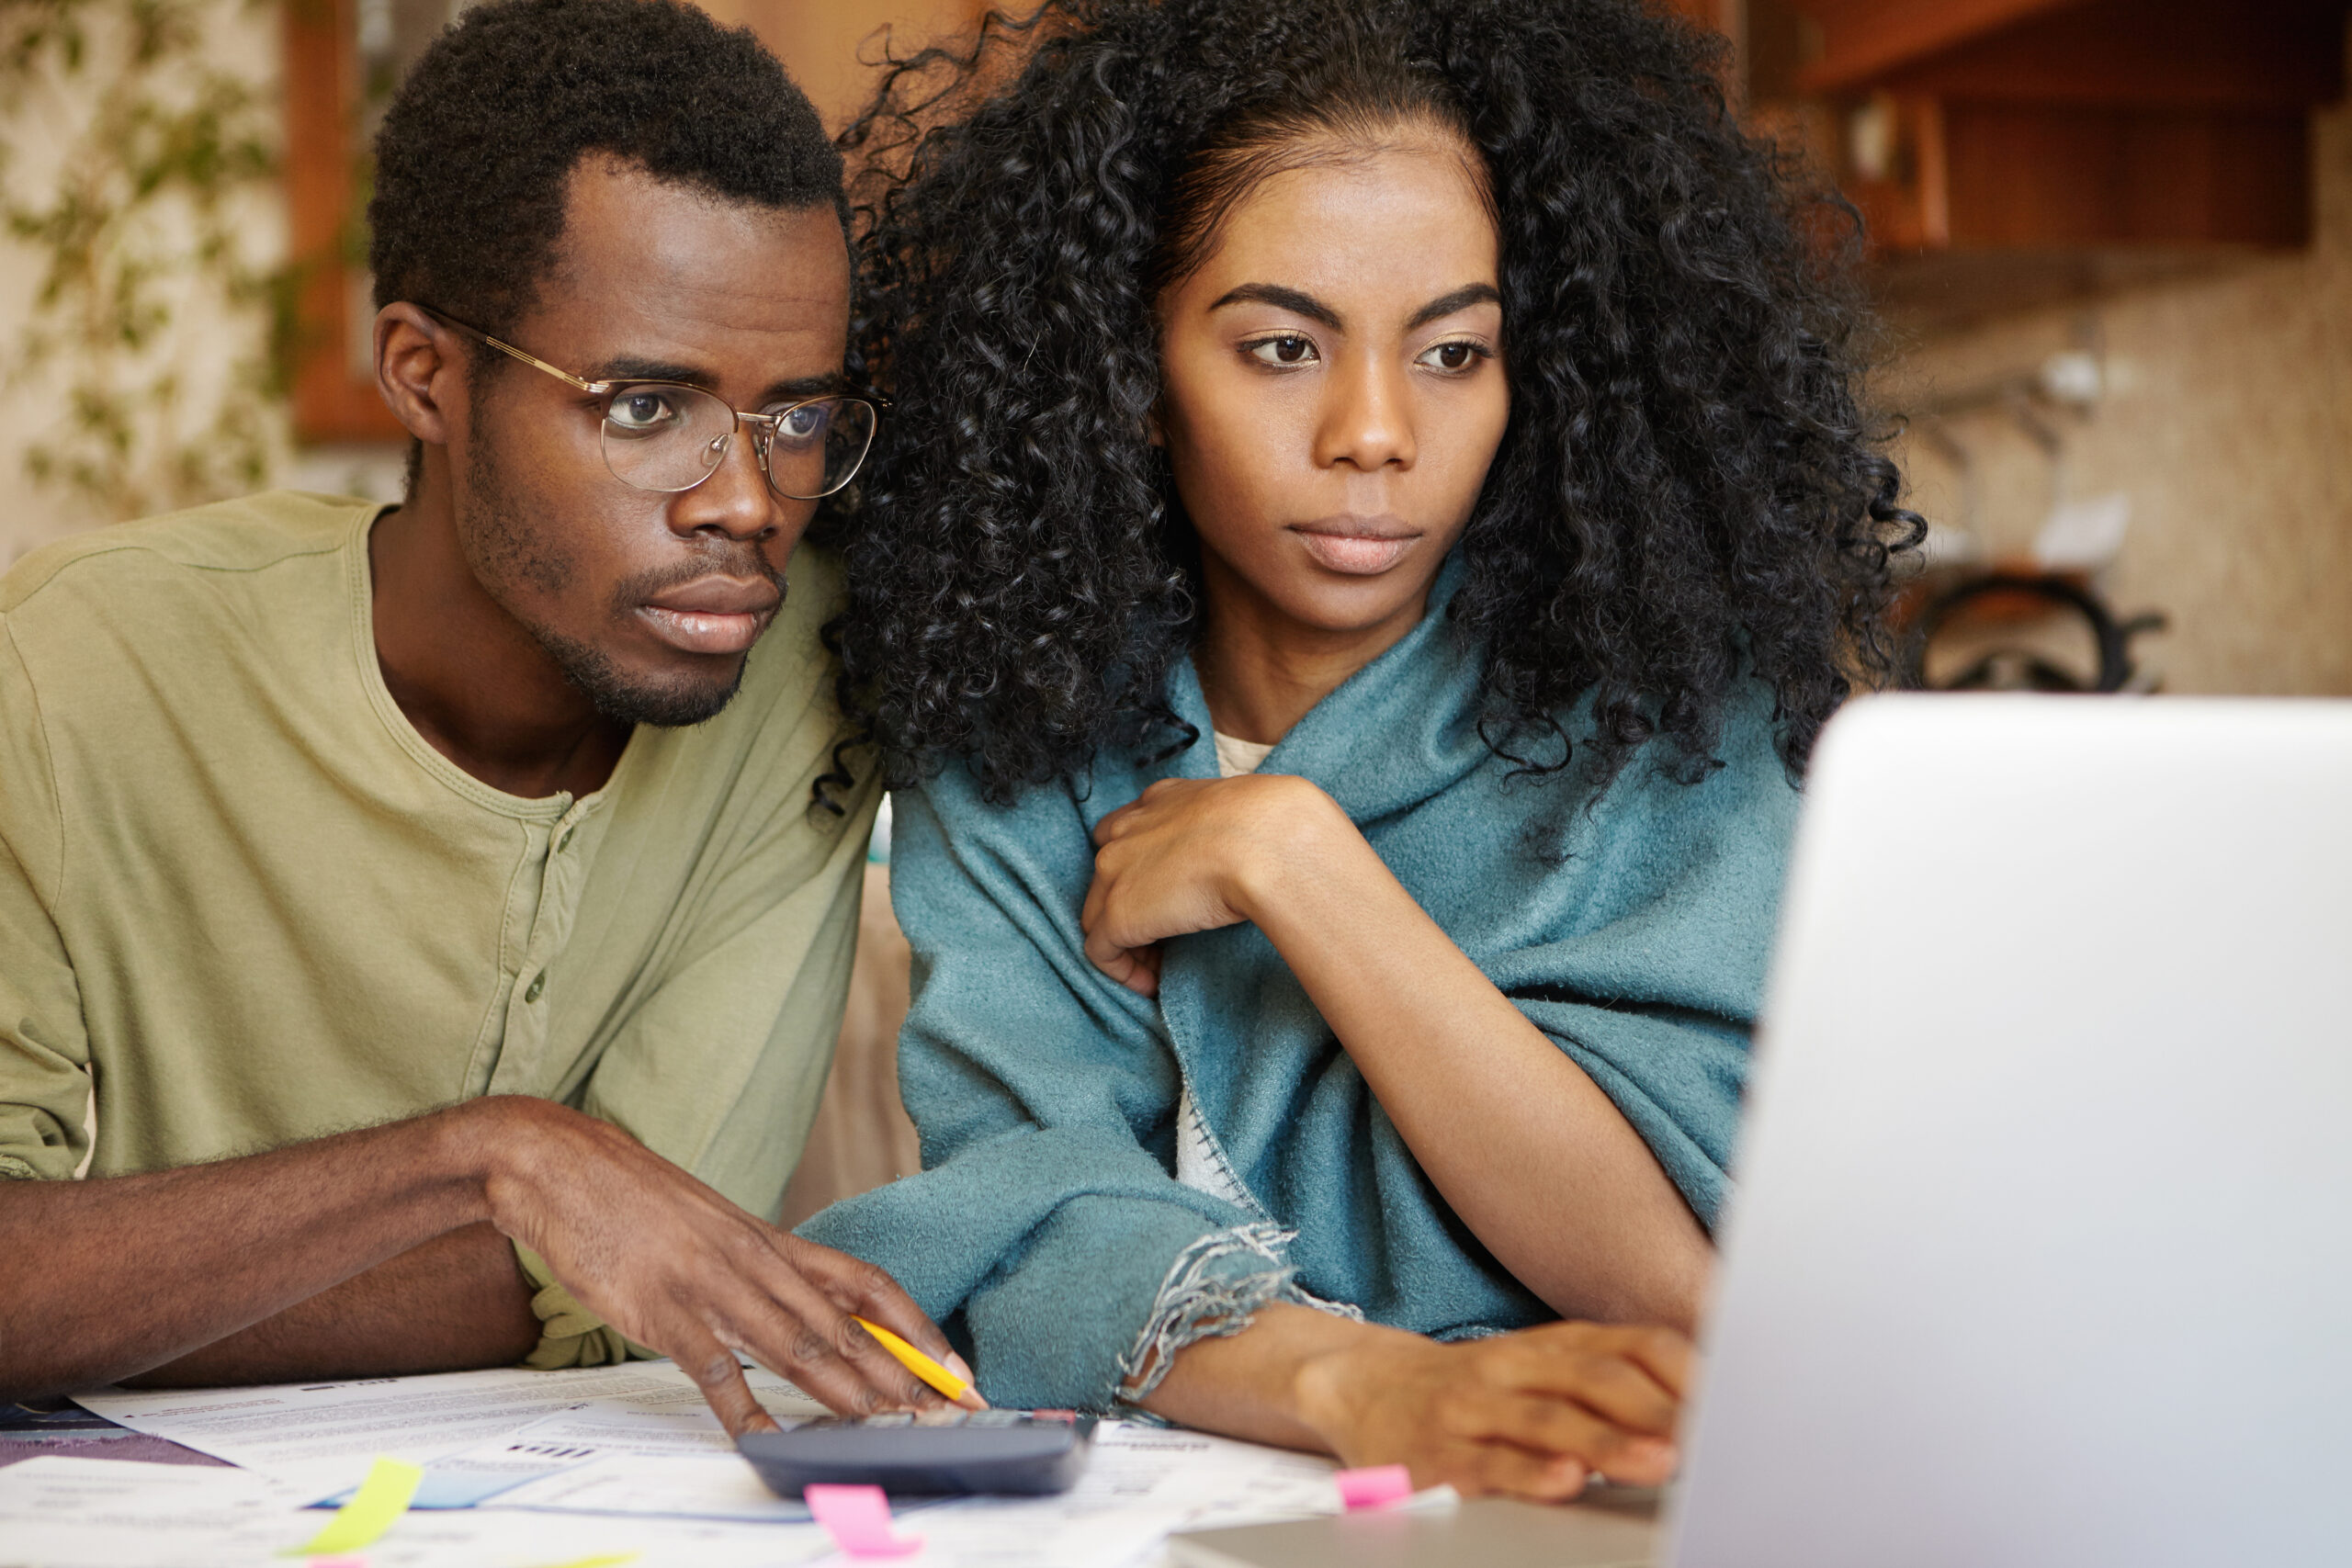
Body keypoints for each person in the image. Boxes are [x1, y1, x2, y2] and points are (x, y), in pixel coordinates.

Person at [801, 0, 1919, 1498]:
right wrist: (1368, 1389)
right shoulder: (1018, 726)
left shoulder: (1664, 719)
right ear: (1128, 376)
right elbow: (1022, 1215)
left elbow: (1689, 1289)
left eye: (1455, 353)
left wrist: (1296, 863)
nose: (1376, 432)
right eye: (1280, 347)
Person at [0, 0, 976, 1432]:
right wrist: (492, 1161)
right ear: (423, 373)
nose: (750, 500)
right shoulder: (67, 671)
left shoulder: (808, 677)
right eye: (647, 407)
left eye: (800, 416)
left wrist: (106, 1285)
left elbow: (652, 1274)